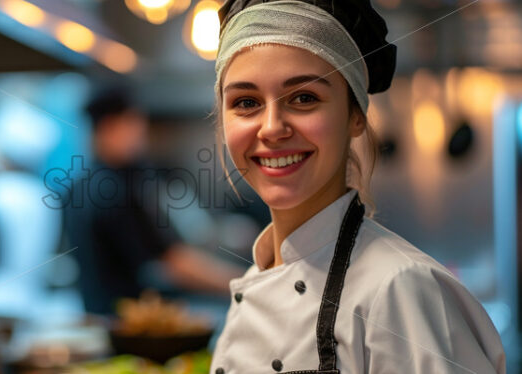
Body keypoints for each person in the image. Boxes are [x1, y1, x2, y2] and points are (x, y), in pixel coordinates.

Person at [209, 1, 506, 373]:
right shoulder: (252, 283)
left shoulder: (401, 289)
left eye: (304, 98)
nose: (271, 127)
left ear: (356, 116)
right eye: (246, 102)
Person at [65, 87, 243, 315]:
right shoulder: (115, 190)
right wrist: (240, 283)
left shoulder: (77, 185)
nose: (141, 134)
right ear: (111, 126)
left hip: (94, 315)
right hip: (126, 323)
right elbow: (174, 262)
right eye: (134, 124)